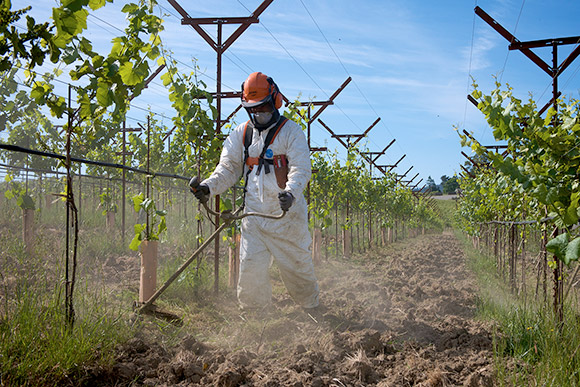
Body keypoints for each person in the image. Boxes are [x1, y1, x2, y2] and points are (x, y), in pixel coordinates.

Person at [192, 72, 319, 311]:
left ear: (274, 102)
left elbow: (301, 169)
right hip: (254, 217)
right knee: (250, 269)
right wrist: (208, 187)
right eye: (253, 109)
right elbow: (228, 168)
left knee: (297, 268)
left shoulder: (292, 132)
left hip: (286, 216)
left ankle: (311, 310)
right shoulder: (241, 133)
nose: (258, 113)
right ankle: (253, 315)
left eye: (263, 108)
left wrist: (290, 193)